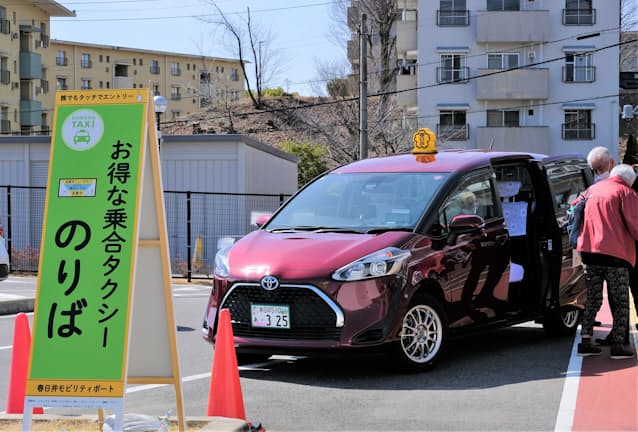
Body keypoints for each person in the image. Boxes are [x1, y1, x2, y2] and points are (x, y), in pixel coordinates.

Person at [576, 164, 638, 359]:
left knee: (593, 298)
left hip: (589, 251)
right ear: (629, 180)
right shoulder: (626, 192)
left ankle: (585, 341)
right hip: (615, 254)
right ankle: (618, 346)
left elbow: (574, 209)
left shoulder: (592, 189)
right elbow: (635, 223)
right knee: (620, 299)